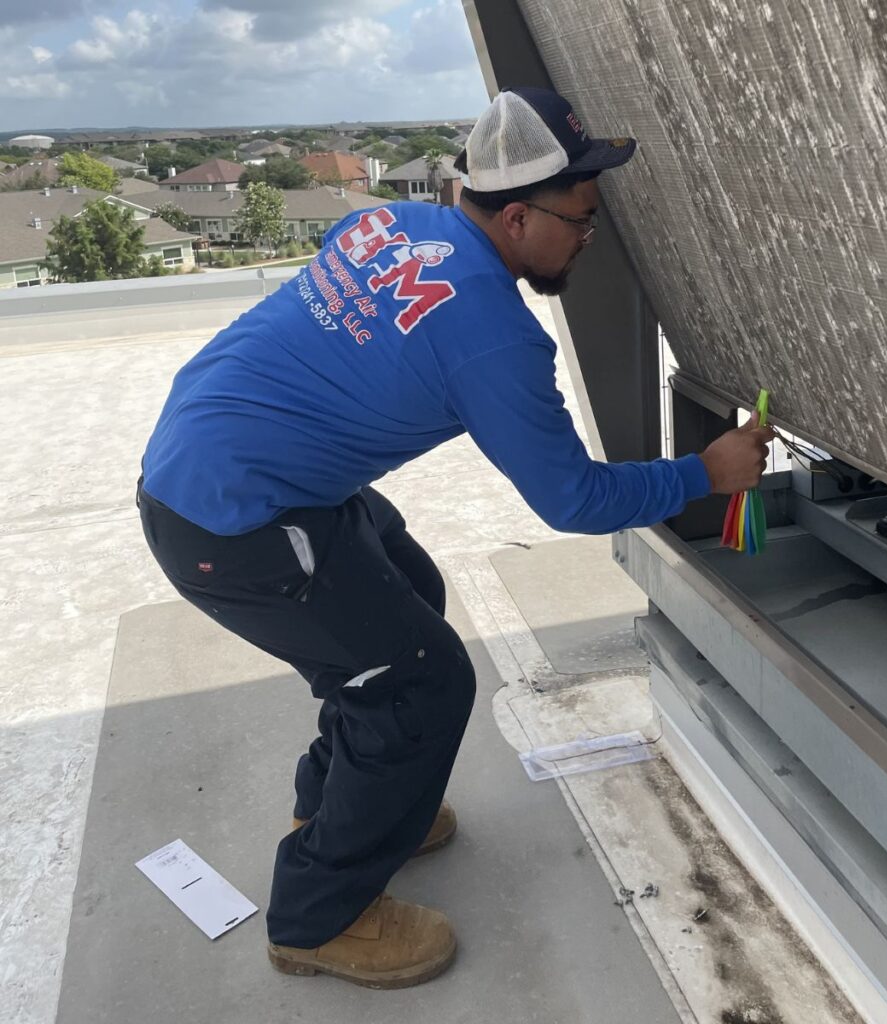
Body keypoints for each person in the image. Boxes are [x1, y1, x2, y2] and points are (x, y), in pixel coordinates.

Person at [137, 86, 772, 989]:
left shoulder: (395, 220)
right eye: (580, 222)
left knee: (405, 592)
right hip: (233, 523)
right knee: (419, 680)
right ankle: (318, 917)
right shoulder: (493, 336)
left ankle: (343, 804)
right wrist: (705, 474)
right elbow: (573, 499)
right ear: (517, 217)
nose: (588, 240)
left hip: (227, 461)